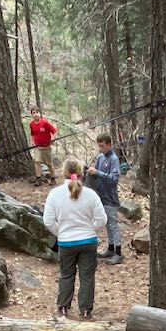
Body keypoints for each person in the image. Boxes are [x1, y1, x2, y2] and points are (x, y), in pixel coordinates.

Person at [44, 158, 105, 320]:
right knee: (87, 277)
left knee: (66, 274)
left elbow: (48, 220)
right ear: (81, 173)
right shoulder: (91, 195)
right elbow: (102, 219)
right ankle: (85, 310)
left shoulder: (55, 194)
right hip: (88, 241)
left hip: (66, 242)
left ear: (63, 172)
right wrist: (91, 229)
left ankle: (63, 307)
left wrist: (61, 232)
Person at [89, 133, 123, 265]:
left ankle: (118, 253)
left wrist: (98, 173)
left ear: (109, 145)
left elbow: (114, 178)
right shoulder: (100, 157)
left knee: (113, 225)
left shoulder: (114, 159)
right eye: (99, 146)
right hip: (101, 196)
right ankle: (110, 248)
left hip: (110, 197)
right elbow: (96, 172)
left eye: (102, 146)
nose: (100, 149)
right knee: (107, 224)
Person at [29, 108, 58, 184]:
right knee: (37, 162)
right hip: (37, 147)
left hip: (46, 146)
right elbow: (32, 134)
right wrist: (32, 142)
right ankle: (38, 178)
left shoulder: (45, 123)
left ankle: (53, 178)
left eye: (37, 112)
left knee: (49, 163)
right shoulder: (31, 124)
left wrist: (53, 139)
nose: (35, 114)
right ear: (31, 115)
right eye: (33, 113)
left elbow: (54, 131)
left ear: (40, 114)